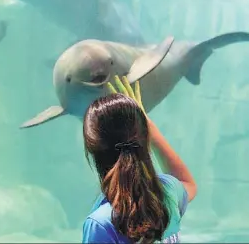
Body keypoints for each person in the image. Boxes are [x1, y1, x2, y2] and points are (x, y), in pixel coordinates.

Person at [82, 76, 198, 243]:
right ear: (144, 138)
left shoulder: (101, 224)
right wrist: (149, 126)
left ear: (92, 150)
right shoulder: (168, 194)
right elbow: (187, 183)